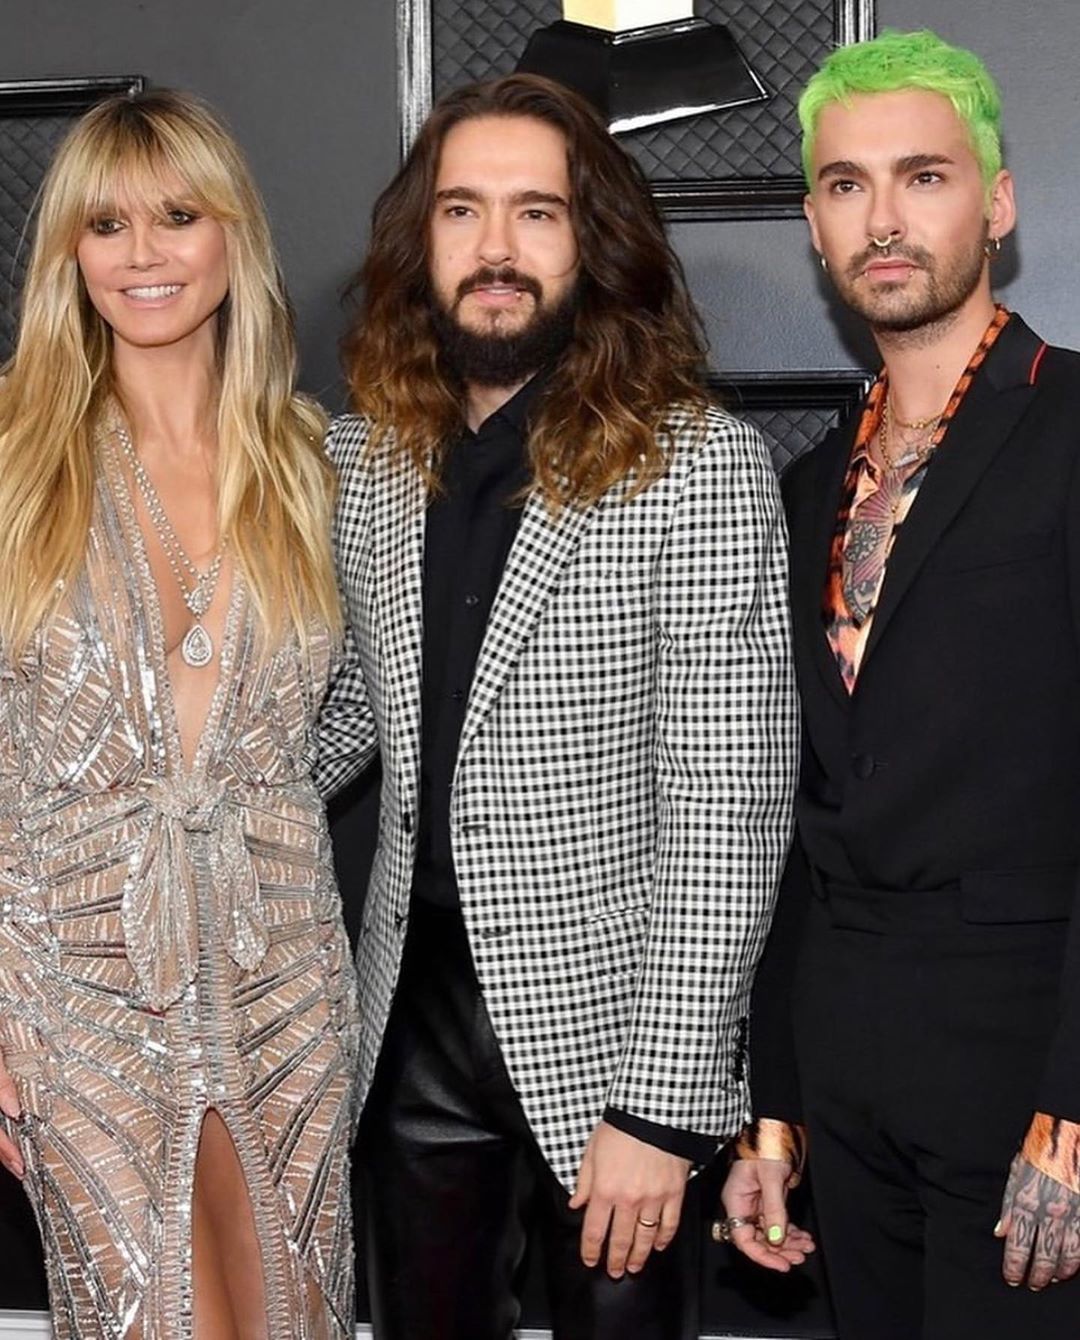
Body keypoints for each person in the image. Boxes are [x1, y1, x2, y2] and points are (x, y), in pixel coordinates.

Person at [314, 73, 798, 1339]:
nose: (496, 250)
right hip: (406, 1016)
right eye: (464, 211)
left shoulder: (695, 463)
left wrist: (663, 1104)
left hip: (613, 1034)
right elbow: (352, 709)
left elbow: (731, 803)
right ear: (421, 242)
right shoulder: (365, 457)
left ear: (594, 240)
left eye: (537, 213)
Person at [719, 28, 1080, 1339]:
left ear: (996, 202)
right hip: (846, 1072)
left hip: (1029, 1062)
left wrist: (1079, 1099)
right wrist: (775, 1104)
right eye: (844, 183)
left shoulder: (1072, 429)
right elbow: (785, 816)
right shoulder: (806, 486)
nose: (883, 217)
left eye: (922, 177)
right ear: (815, 224)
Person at [0, 90, 359, 1337]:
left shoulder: (322, 462)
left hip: (285, 969)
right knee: (154, 1312)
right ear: (68, 255)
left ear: (232, 236)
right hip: (74, 976)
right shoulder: (11, 456)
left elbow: (364, 715)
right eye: (105, 223)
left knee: (291, 1309)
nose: (143, 253)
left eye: (177, 215)